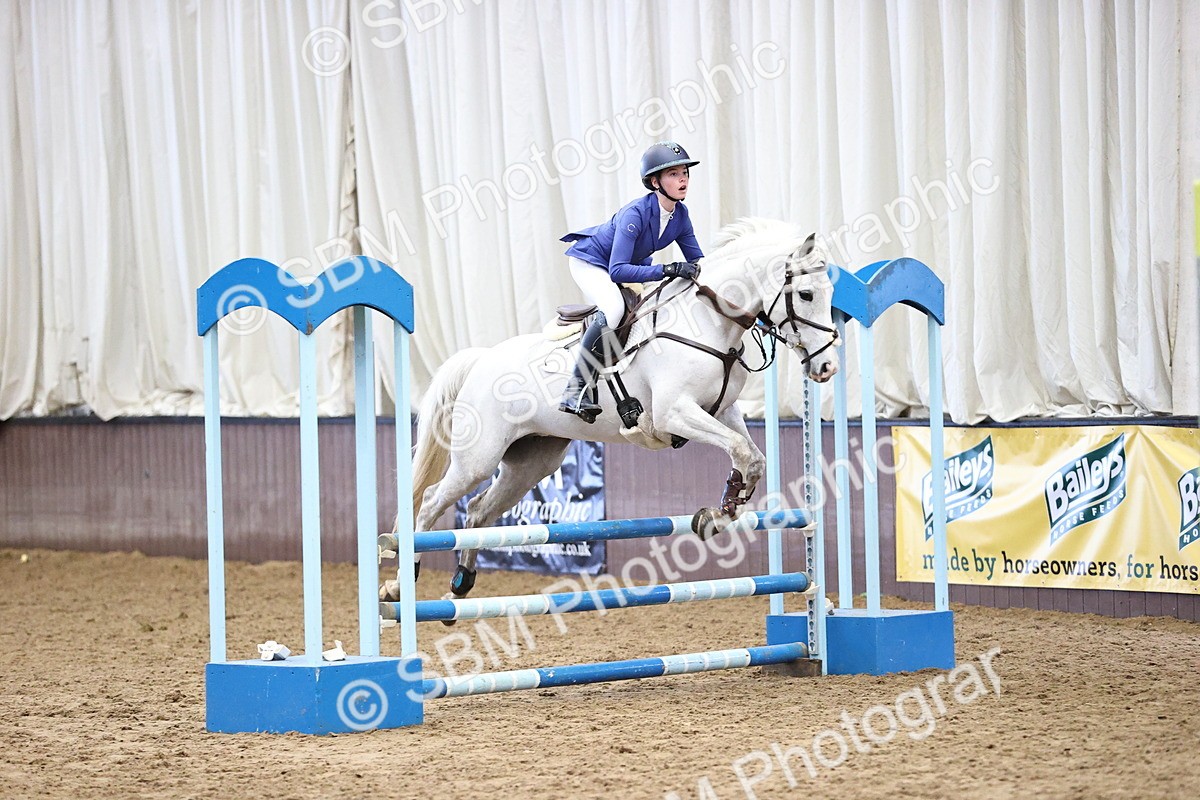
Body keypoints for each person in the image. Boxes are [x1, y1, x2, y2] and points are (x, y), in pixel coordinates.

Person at [556, 141, 705, 421]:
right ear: (655, 181)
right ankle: (574, 390)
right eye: (673, 174)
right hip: (591, 262)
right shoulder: (634, 214)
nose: (683, 178)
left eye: (684, 172)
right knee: (613, 309)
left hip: (626, 264)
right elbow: (618, 271)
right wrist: (668, 269)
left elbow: (698, 263)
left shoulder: (680, 216)